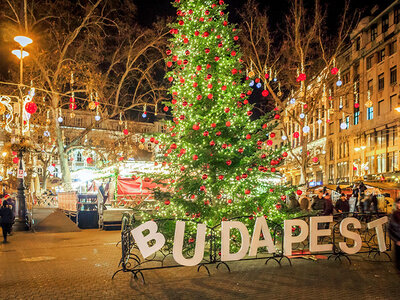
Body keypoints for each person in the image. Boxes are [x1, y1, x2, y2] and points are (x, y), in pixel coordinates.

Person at [388, 198, 400, 272]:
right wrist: (396, 240)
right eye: (398, 203)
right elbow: (390, 229)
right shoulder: (394, 215)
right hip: (398, 242)